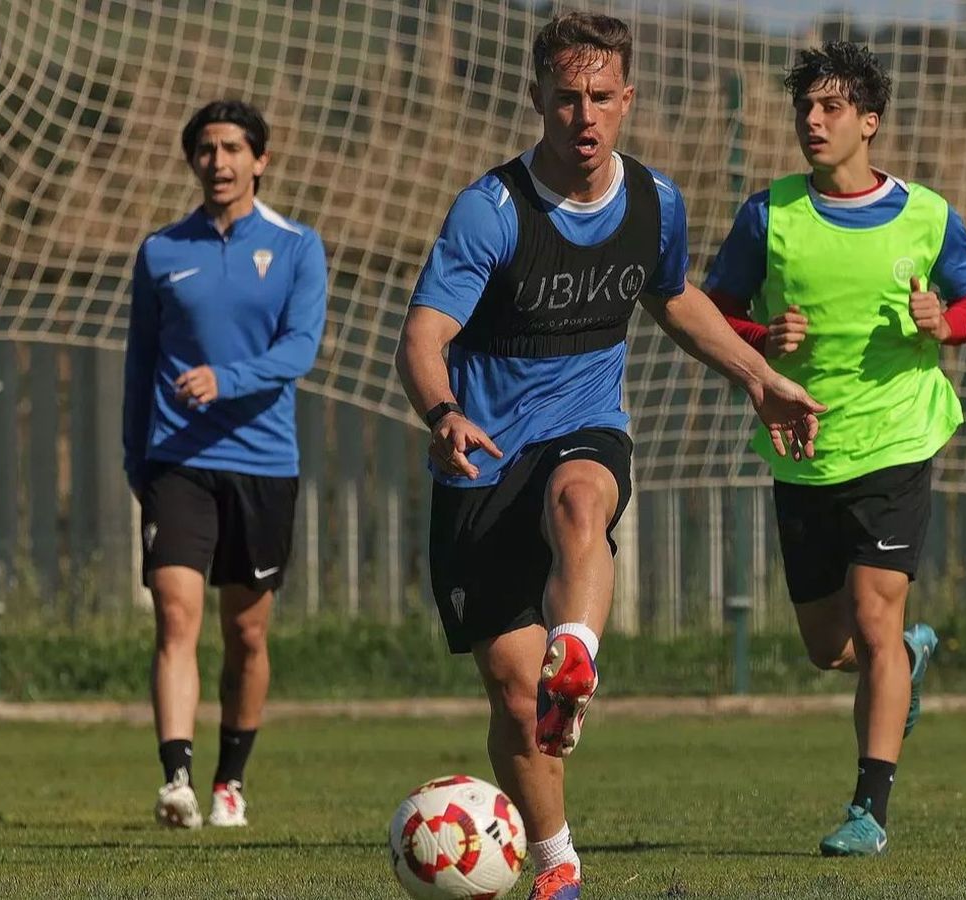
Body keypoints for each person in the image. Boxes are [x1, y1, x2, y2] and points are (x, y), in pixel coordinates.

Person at [394, 12, 823, 899]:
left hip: (585, 424)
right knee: (516, 704)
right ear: (537, 99)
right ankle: (557, 864)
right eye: (565, 98)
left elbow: (674, 300)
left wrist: (756, 376)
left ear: (627, 100)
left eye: (600, 98)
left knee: (582, 501)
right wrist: (442, 412)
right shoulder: (493, 210)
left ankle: (577, 653)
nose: (583, 117)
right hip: (479, 461)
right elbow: (422, 337)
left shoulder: (656, 203)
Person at [705, 41, 966, 857]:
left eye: (831, 108)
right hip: (803, 448)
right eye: (805, 107)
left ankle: (867, 810)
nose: (813, 120)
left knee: (873, 621)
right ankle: (905, 659)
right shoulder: (769, 215)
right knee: (829, 647)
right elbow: (709, 313)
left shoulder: (927, 214)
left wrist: (947, 323)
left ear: (869, 122)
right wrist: (764, 334)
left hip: (899, 437)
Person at [122, 99, 328, 830]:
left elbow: (299, 350)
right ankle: (175, 779)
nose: (219, 161)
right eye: (206, 148)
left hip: (264, 465)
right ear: (192, 160)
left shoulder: (299, 247)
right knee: (176, 618)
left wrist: (226, 378)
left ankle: (229, 782)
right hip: (176, 461)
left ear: (259, 160)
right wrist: (134, 455)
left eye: (233, 148)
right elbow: (140, 361)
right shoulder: (160, 252)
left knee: (245, 634)